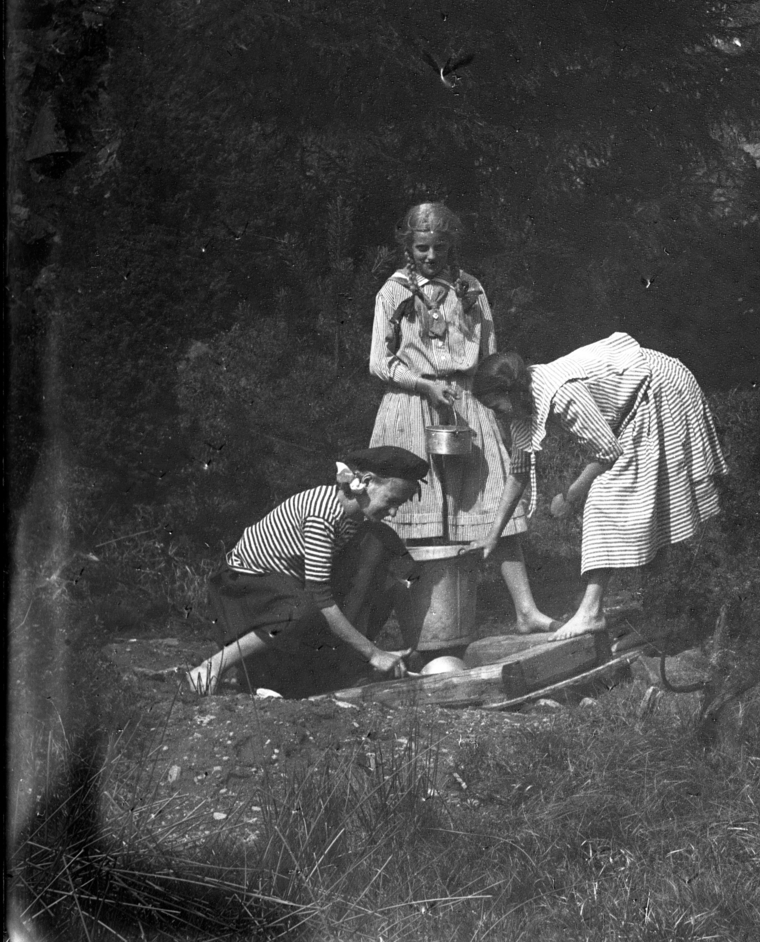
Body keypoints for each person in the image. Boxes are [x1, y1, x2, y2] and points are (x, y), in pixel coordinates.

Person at [368, 201, 558, 633]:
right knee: (404, 513)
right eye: (422, 248)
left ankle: (526, 611)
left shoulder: (470, 288)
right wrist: (423, 385)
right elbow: (379, 361)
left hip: (467, 402)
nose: (431, 256)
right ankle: (408, 625)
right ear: (408, 247)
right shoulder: (392, 292)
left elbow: (490, 354)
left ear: (451, 245)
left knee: (494, 502)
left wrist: (494, 407)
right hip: (410, 406)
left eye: (439, 247)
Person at [472, 331, 728, 641]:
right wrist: (493, 535)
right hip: (635, 400)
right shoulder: (521, 405)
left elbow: (607, 453)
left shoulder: (562, 393)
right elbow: (518, 473)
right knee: (645, 507)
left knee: (603, 499)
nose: (496, 415)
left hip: (660, 386)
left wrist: (571, 496)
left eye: (496, 406)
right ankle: (656, 618)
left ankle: (591, 612)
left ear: (510, 391)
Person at [186, 446, 428, 697]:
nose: (393, 512)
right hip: (246, 593)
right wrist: (374, 653)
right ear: (366, 482)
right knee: (306, 607)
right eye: (391, 501)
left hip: (287, 591)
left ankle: (345, 662)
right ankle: (216, 664)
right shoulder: (321, 517)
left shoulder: (353, 514)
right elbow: (319, 598)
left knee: (381, 541)